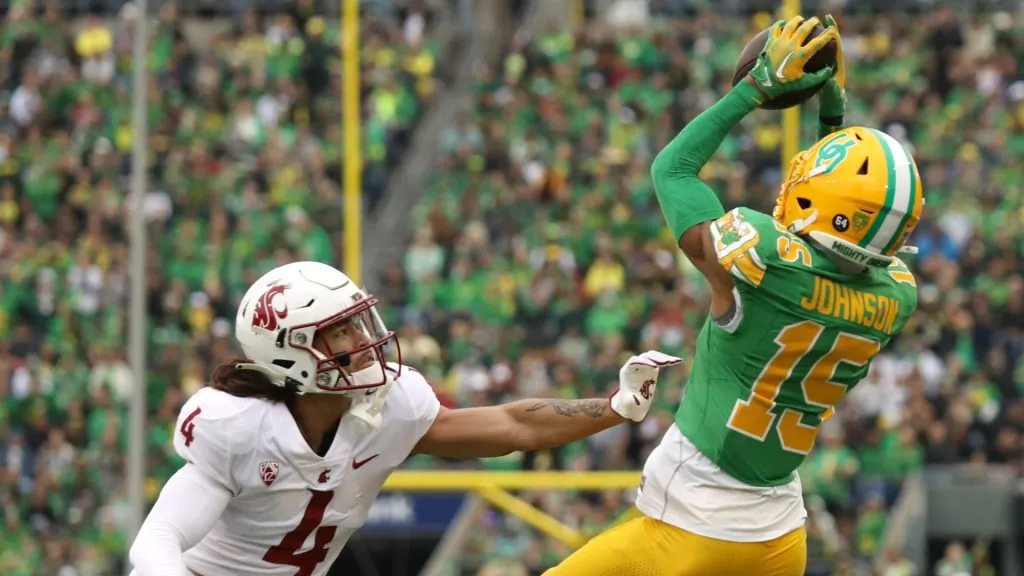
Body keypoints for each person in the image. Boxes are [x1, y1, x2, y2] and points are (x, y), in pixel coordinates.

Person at [546, 15, 923, 576]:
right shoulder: (897, 294)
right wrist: (833, 118)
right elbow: (840, 246)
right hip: (779, 540)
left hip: (696, 523)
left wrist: (753, 91)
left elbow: (672, 170)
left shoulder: (762, 259)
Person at [128, 260, 681, 576]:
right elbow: (156, 542)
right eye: (341, 331)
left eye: (359, 323)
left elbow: (515, 427)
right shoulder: (238, 425)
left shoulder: (391, 407)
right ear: (290, 350)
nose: (365, 342)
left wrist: (611, 408)